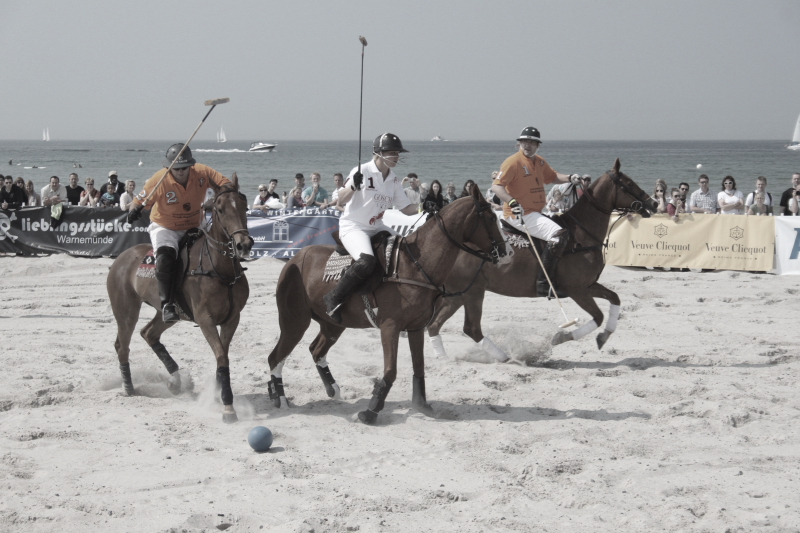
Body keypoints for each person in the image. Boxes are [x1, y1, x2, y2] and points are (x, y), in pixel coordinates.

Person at [127, 143, 232, 322]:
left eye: (185, 167)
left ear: (191, 165)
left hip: (196, 223)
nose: (181, 171)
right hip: (166, 227)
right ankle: (167, 304)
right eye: (176, 168)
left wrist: (215, 199)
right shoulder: (159, 179)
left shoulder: (202, 172)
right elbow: (137, 201)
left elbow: (227, 184)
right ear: (169, 167)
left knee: (224, 243)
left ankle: (232, 282)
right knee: (165, 258)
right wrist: (134, 210)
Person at [323, 133, 420, 323]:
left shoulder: (393, 180)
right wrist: (352, 187)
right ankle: (334, 297)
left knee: (407, 250)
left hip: (377, 227)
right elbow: (340, 200)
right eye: (394, 153)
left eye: (398, 153)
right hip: (353, 226)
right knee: (366, 261)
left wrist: (424, 206)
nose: (397, 157)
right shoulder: (362, 171)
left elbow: (407, 209)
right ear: (380, 153)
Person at [491, 126, 582, 298]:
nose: (528, 145)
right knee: (559, 235)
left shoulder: (539, 161)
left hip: (535, 213)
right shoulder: (512, 162)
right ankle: (544, 285)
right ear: (519, 143)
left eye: (532, 142)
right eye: (525, 141)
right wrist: (511, 201)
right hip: (519, 214)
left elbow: (553, 177)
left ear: (537, 145)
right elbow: (496, 186)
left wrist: (570, 178)